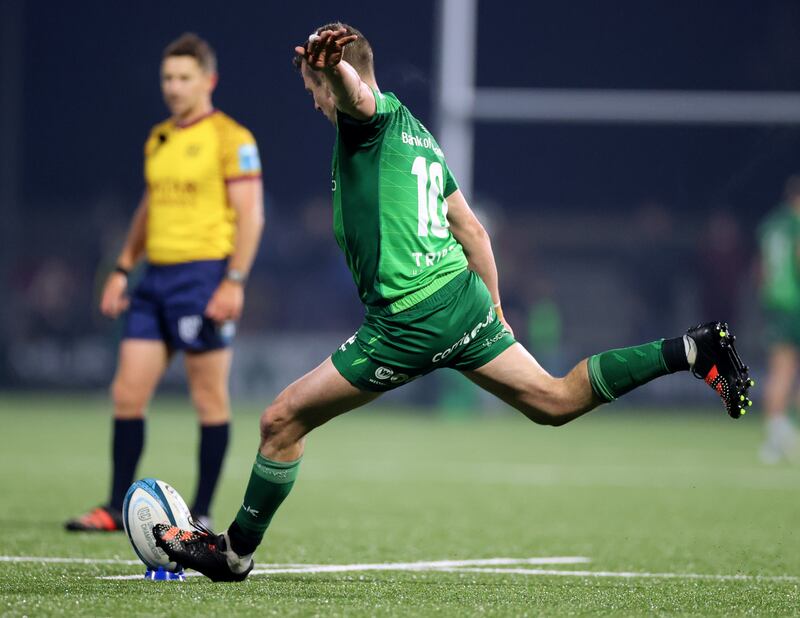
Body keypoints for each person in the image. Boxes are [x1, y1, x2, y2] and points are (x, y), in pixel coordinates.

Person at [152, 24, 752, 581]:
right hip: (461, 300)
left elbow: (356, 94)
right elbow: (473, 232)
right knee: (554, 400)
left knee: (281, 421)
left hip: (409, 320)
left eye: (313, 88)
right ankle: (692, 350)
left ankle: (233, 554)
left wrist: (336, 70)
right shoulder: (421, 138)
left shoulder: (372, 119)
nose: (314, 100)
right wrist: (492, 309)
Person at [65, 33, 264, 531]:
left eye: (183, 78)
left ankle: (199, 513)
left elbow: (251, 216)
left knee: (208, 398)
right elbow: (149, 209)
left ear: (208, 80)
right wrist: (122, 267)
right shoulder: (159, 138)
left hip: (204, 278)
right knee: (127, 393)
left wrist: (233, 281)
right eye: (167, 78)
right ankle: (115, 506)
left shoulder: (231, 139)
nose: (173, 87)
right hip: (155, 281)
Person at [757, 176, 800, 464]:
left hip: (774, 304)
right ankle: (781, 435)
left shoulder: (770, 225)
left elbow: (760, 271)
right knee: (788, 373)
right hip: (795, 304)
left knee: (780, 371)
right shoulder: (796, 225)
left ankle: (774, 439)